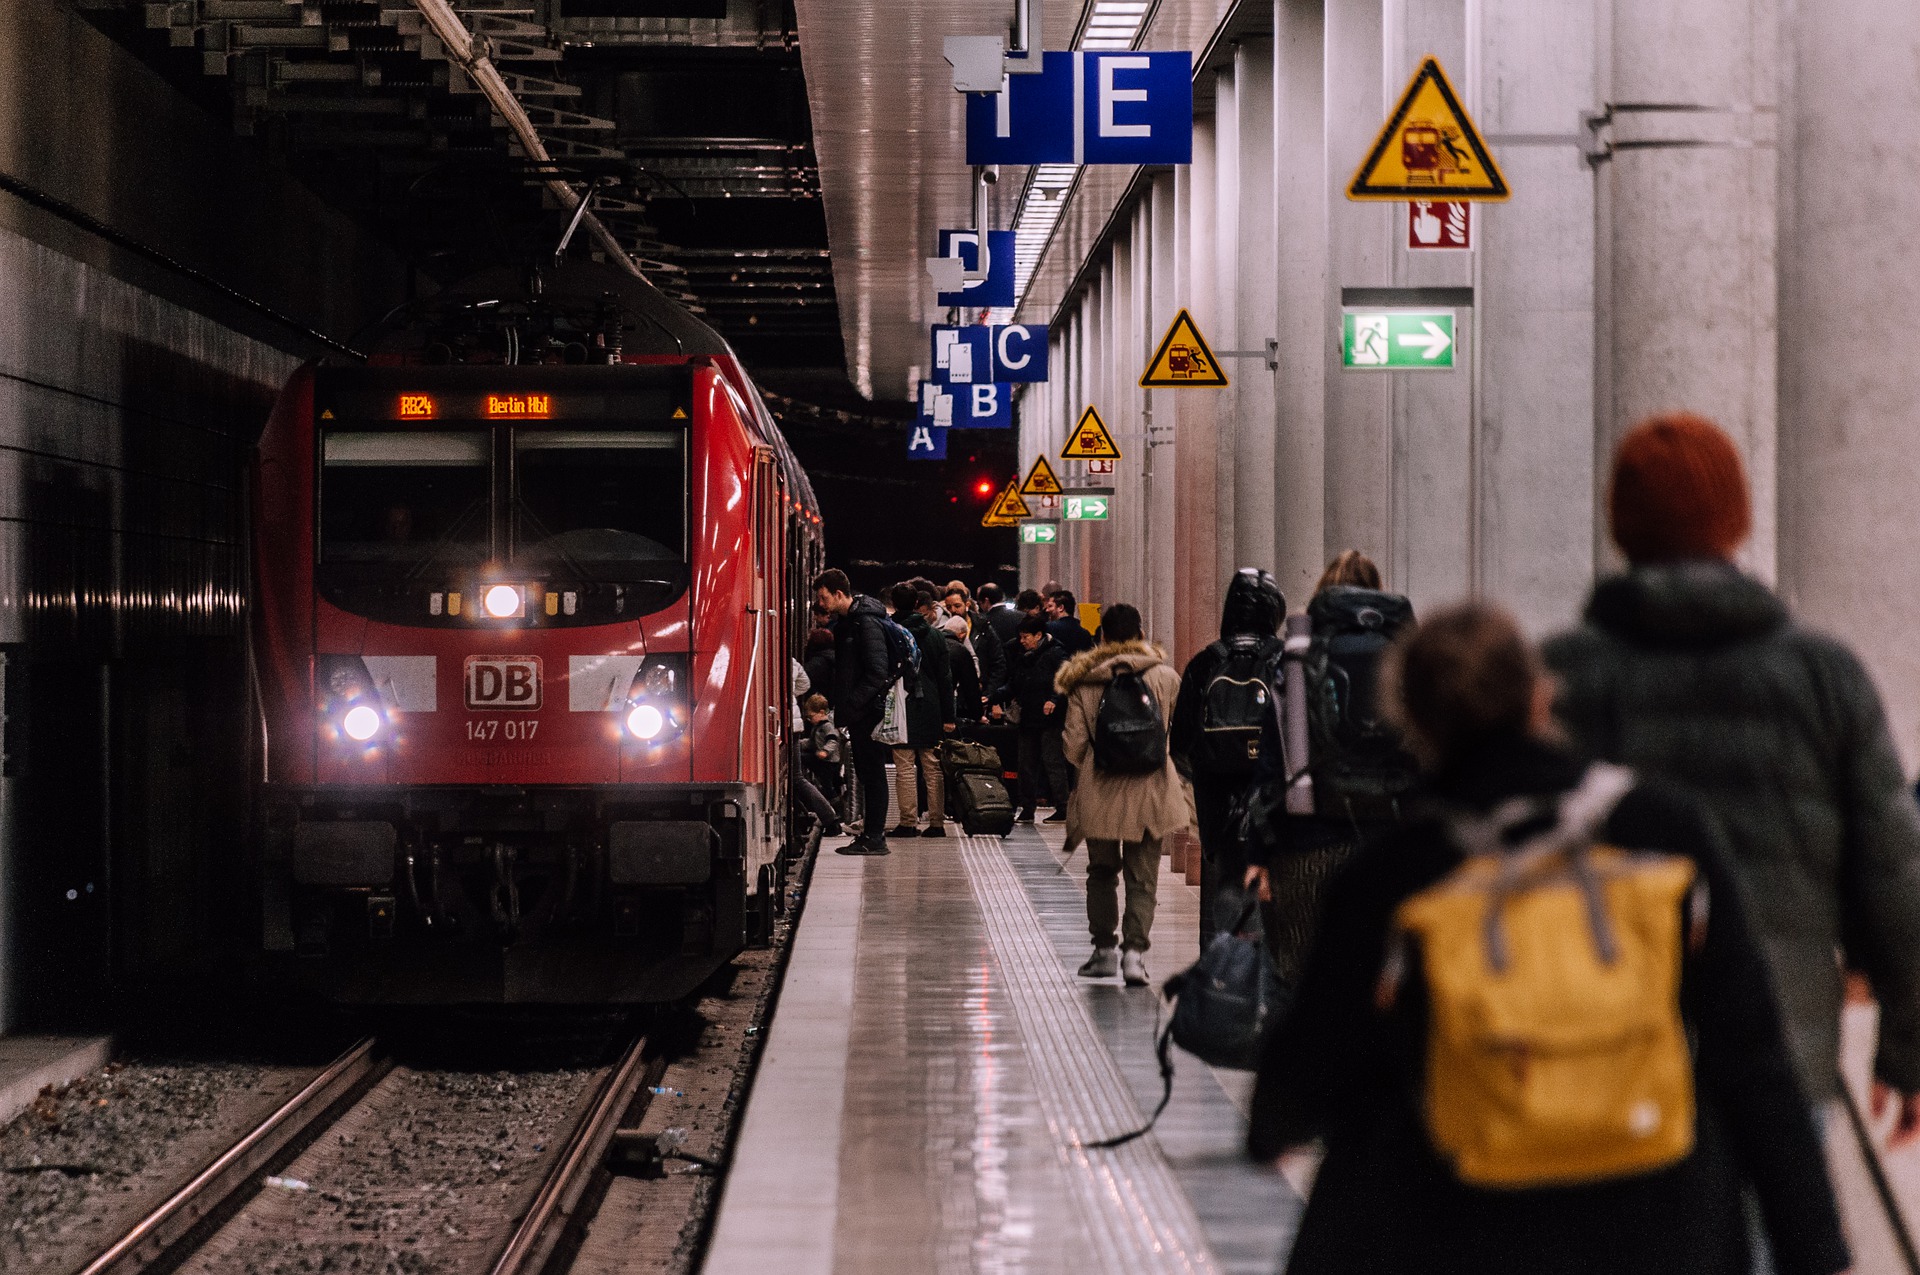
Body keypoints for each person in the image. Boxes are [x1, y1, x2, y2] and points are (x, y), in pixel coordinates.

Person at [1248, 602, 1849, 1275]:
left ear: (1412, 720)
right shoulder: (1663, 830)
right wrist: (1815, 1244)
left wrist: (1271, 1125)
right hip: (1661, 1222)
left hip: (1460, 1220)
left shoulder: (1394, 873)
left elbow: (1312, 1063)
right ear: (1541, 695)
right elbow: (1752, 1051)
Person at [1544, 412, 1920, 1140]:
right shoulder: (1821, 674)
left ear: (1622, 526)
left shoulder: (1561, 675)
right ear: (1737, 522)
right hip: (1777, 1047)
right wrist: (1908, 1050)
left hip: (1599, 1047)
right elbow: (1893, 874)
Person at [1243, 550, 1417, 984]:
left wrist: (1256, 855)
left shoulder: (1298, 658)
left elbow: (1273, 760)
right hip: (1392, 845)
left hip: (1307, 842)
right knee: (1383, 982)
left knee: (1302, 980)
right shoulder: (1411, 658)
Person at [1057, 603, 1190, 987]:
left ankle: (1103, 951)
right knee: (1142, 874)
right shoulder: (1166, 677)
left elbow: (1073, 745)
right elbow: (1178, 737)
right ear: (1142, 635)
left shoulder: (1084, 682)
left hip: (1099, 790)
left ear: (1101, 637)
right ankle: (1134, 955)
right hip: (1152, 789)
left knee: (1101, 871)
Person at [1169, 567, 1286, 945]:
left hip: (1216, 804)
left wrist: (1210, 776)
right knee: (1276, 904)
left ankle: (1221, 979)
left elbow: (1181, 742)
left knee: (1221, 898)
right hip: (1275, 802)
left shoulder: (1205, 662)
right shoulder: (1284, 662)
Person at [814, 568, 894, 855]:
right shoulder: (850, 623)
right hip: (861, 713)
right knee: (867, 773)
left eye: (823, 597)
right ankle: (870, 836)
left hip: (868, 713)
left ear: (838, 594)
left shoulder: (866, 623)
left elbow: (876, 672)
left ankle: (875, 838)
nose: (819, 604)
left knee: (873, 775)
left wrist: (851, 704)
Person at [888, 583, 956, 838]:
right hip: (930, 705)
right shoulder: (936, 635)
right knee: (932, 765)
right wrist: (948, 716)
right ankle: (936, 823)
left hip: (900, 706)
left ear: (894, 604)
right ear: (918, 603)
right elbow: (945, 679)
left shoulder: (888, 631)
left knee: (904, 766)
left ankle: (908, 822)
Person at [1008, 614, 1071, 823]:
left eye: (1026, 637)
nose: (1022, 641)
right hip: (1028, 716)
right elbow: (1015, 683)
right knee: (1025, 763)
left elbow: (1066, 680)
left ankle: (1063, 807)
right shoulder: (1023, 654)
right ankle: (1027, 807)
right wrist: (993, 696)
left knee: (1052, 762)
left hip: (1049, 719)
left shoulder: (1056, 653)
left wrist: (1054, 700)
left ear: (1039, 635)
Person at [937, 609, 983, 726]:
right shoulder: (961, 651)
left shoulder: (935, 643)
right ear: (962, 635)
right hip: (948, 700)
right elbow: (970, 686)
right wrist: (977, 715)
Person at [1045, 589, 1095, 654]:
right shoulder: (1085, 633)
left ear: (1061, 607)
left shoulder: (1049, 627)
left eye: (1050, 606)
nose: (1047, 610)